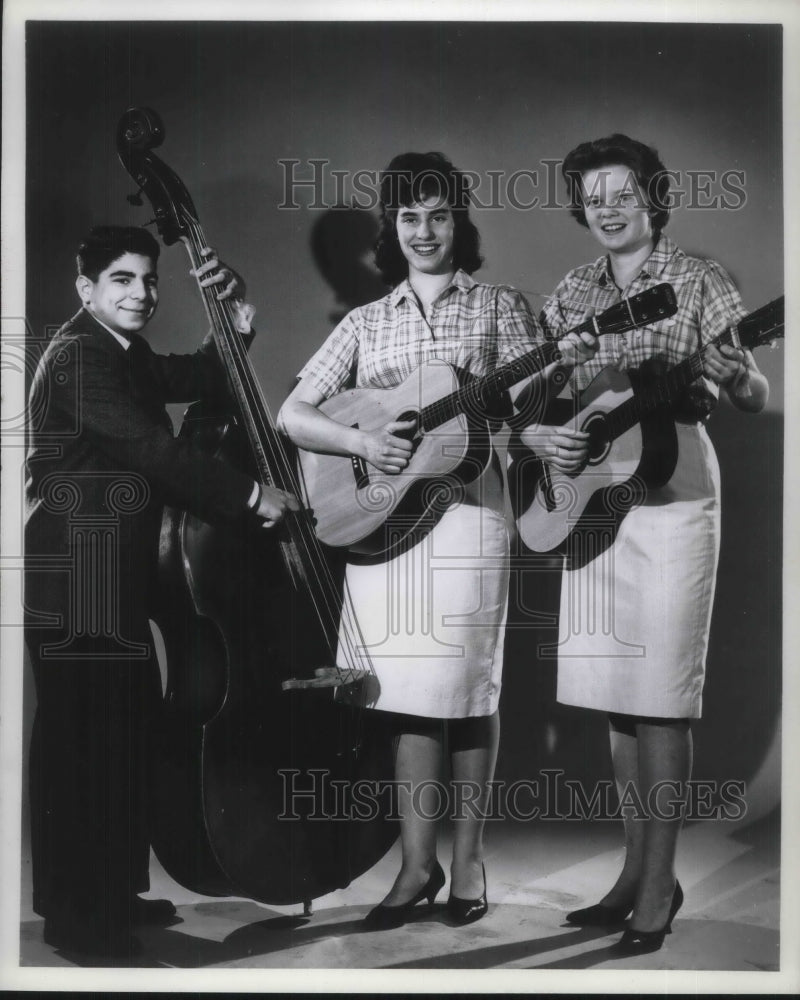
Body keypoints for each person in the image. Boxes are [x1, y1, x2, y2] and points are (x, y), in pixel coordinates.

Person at [279, 152, 596, 929]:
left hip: (466, 517)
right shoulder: (364, 321)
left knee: (465, 690)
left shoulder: (499, 307)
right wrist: (362, 448)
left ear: (461, 222)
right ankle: (415, 868)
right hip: (383, 522)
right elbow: (295, 413)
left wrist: (563, 365)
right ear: (392, 228)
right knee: (405, 696)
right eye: (409, 217)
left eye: (439, 214)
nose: (424, 231)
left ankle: (470, 861)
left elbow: (521, 421)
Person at [24, 225, 298, 960]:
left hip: (108, 577)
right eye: (122, 279)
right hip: (77, 580)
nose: (141, 293)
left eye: (148, 280)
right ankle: (80, 923)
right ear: (87, 290)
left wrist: (235, 319)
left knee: (117, 736)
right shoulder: (81, 357)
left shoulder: (120, 351)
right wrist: (249, 496)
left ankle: (107, 892)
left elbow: (195, 377)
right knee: (83, 748)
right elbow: (155, 451)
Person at [525, 134, 768, 955]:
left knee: (660, 691)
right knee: (616, 692)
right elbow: (538, 396)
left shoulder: (699, 279)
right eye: (592, 197)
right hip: (596, 493)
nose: (606, 208)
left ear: (653, 197)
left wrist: (737, 375)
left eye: (621, 193)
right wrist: (552, 415)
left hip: (671, 495)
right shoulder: (572, 289)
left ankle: (658, 888)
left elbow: (750, 388)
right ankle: (635, 875)